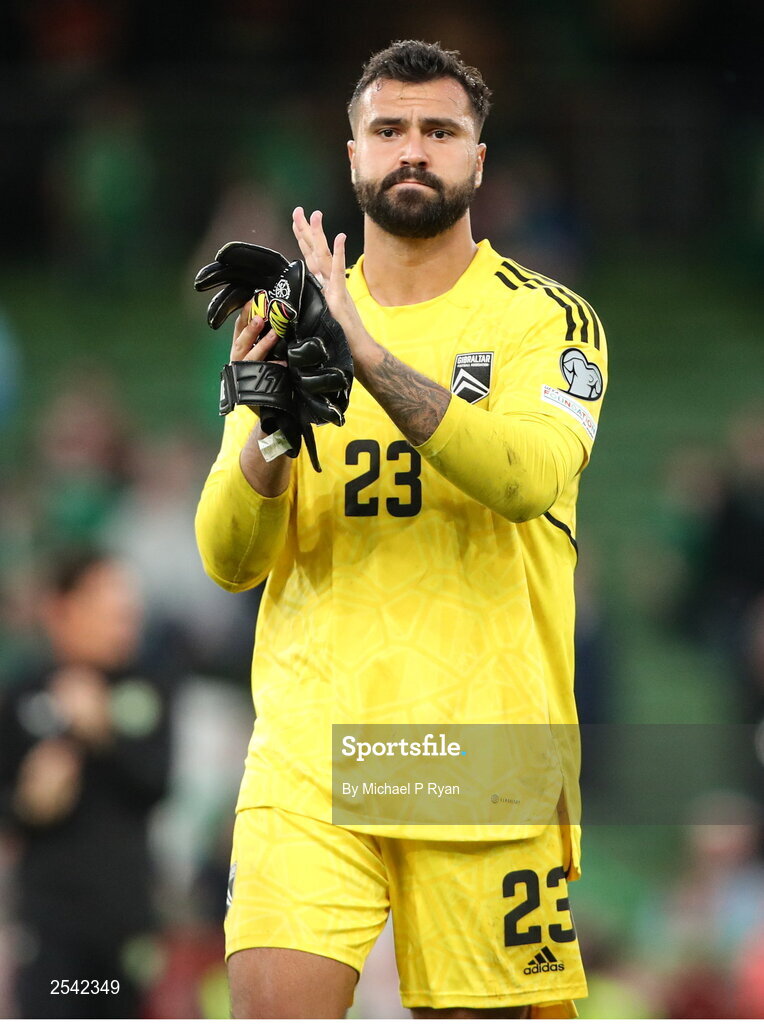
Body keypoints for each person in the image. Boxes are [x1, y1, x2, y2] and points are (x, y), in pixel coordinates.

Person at [195, 40, 608, 1019]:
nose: (411, 149)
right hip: (311, 742)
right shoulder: (287, 324)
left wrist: (368, 357)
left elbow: (525, 475)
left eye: (438, 131)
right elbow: (226, 555)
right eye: (388, 130)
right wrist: (271, 434)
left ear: (476, 161)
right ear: (350, 157)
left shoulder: (544, 322)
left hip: (481, 746)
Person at [0, 549, 173, 1018]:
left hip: (126, 923)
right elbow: (10, 814)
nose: (125, 627)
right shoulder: (22, 692)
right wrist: (29, 803)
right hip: (51, 927)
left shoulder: (149, 686)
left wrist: (103, 735)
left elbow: (158, 785)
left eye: (130, 616)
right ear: (61, 609)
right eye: (112, 614)